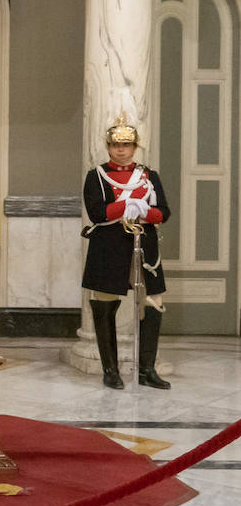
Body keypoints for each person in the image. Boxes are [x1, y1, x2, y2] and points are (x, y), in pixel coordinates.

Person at [81, 116, 172, 389]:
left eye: (127, 144)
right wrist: (128, 204)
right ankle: (110, 370)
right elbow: (97, 213)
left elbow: (163, 213)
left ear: (135, 147)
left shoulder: (149, 175)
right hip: (108, 247)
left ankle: (146, 370)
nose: (121, 150)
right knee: (105, 304)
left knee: (153, 303)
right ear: (108, 147)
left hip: (144, 246)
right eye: (116, 144)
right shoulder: (96, 175)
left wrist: (145, 210)